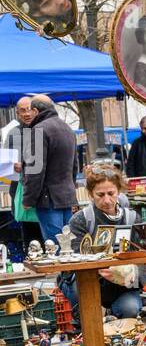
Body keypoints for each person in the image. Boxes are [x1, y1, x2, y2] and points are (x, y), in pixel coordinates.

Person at [61, 166, 146, 319]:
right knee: (90, 315)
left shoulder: (133, 218)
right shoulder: (81, 220)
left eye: (111, 193)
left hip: (122, 286)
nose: (107, 200)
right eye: (100, 195)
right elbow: (73, 261)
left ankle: (111, 313)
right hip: (88, 281)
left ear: (119, 191)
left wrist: (131, 274)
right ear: (90, 194)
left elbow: (145, 258)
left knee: (130, 310)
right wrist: (100, 269)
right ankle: (91, 316)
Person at [21, 94, 78, 241]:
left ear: (35, 110)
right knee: (68, 247)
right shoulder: (67, 129)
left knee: (55, 248)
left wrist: (28, 199)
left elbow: (35, 170)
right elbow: (74, 167)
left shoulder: (38, 130)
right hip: (66, 196)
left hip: (48, 199)